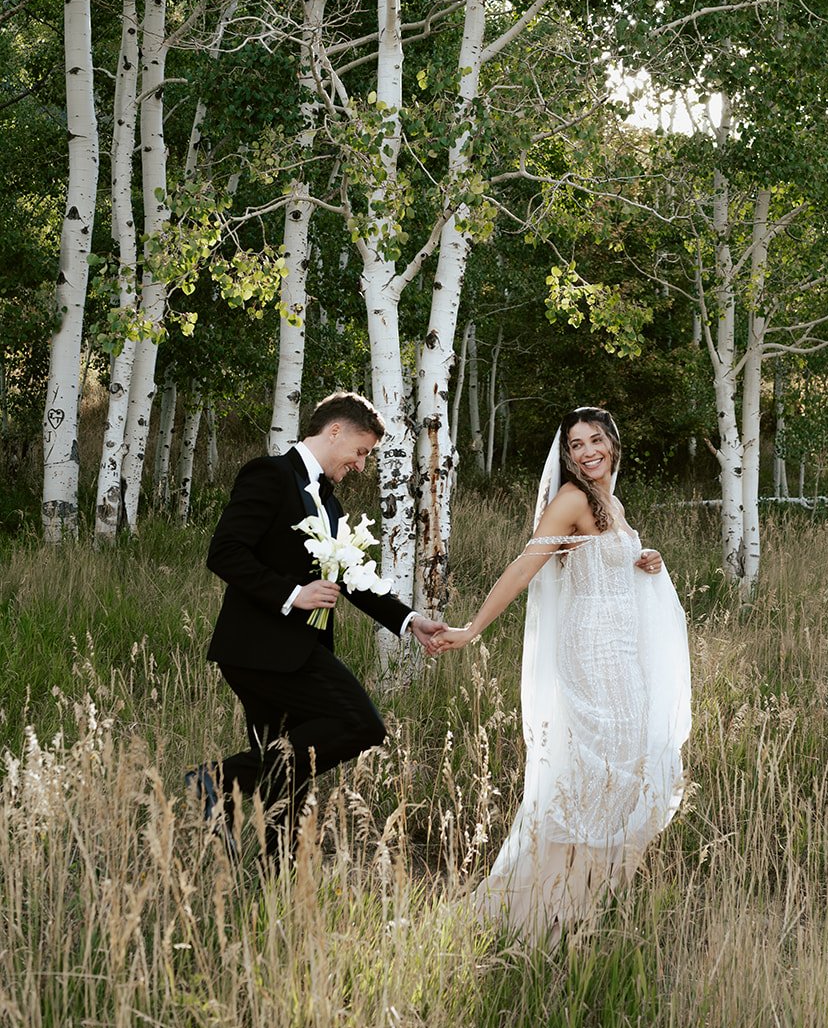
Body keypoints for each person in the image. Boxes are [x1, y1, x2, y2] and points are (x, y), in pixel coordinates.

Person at [432, 406, 691, 935]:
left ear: (613, 444)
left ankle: (580, 900)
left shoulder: (611, 502)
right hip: (592, 653)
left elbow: (611, 562)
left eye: (596, 440)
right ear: (567, 455)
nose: (588, 451)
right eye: (576, 444)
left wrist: (648, 560)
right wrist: (473, 626)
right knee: (596, 773)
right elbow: (526, 565)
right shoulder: (572, 500)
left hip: (624, 653)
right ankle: (552, 906)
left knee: (628, 764)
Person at [187, 390, 445, 855]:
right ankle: (217, 781)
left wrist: (409, 621)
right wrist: (293, 595)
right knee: (361, 725)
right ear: (334, 431)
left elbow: (348, 576)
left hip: (288, 653)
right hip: (260, 649)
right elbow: (225, 552)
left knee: (294, 767)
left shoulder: (328, 501)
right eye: (361, 451)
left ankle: (275, 882)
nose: (361, 464)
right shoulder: (270, 475)